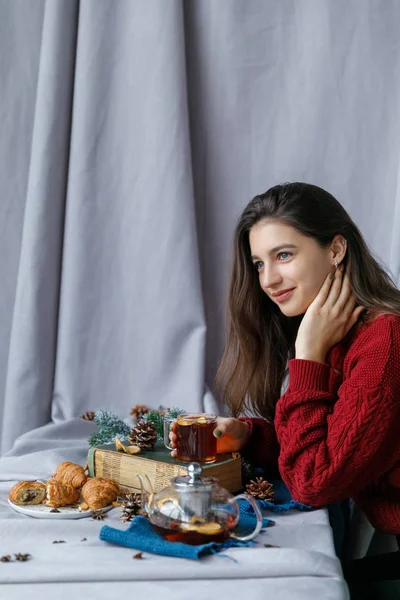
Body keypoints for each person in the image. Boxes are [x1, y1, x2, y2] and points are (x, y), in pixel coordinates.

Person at [169, 182, 400, 550]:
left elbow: (314, 482)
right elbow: (337, 440)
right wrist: (249, 437)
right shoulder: (343, 331)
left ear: (336, 249)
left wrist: (308, 356)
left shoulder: (385, 342)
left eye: (284, 255)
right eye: (260, 263)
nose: (268, 280)